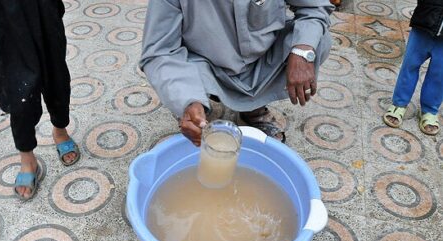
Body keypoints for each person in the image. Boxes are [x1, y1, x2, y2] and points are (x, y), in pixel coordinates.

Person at [140, 0, 333, 146]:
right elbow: (160, 50)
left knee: (317, 39)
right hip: (208, 67)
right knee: (182, 89)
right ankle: (197, 105)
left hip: (262, 62)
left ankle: (253, 109)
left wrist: (301, 52)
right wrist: (187, 99)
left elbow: (314, 7)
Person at [0, 0, 80, 201]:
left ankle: (60, 131)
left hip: (42, 8)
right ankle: (27, 158)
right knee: (18, 90)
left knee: (56, 76)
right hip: (1, 15)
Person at [383, 0, 443, 135]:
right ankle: (399, 103)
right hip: (425, 21)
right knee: (410, 64)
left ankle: (430, 110)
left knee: (439, 73)